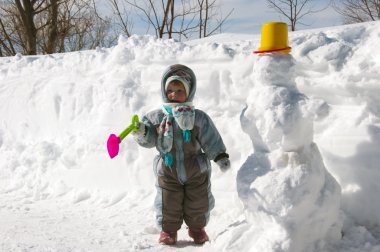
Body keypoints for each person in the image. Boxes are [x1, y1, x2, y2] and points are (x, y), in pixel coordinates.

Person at [132, 64, 231, 245]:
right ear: (164, 91)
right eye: (169, 90)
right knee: (168, 202)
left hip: (196, 169)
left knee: (198, 202)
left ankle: (197, 228)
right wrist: (142, 132)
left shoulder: (197, 117)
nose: (173, 94)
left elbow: (210, 137)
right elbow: (150, 139)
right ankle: (168, 231)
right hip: (168, 170)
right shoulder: (156, 118)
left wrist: (219, 155)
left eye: (179, 90)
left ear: (189, 92)